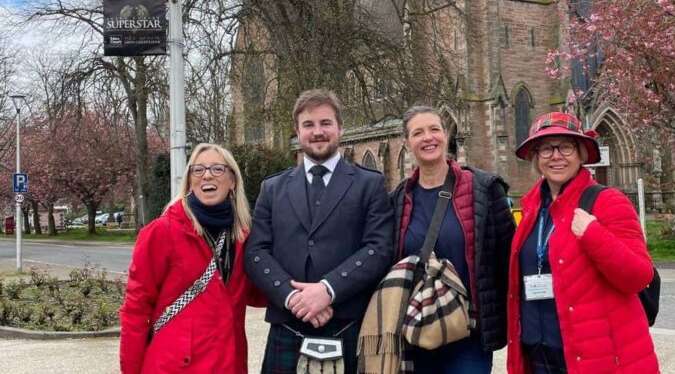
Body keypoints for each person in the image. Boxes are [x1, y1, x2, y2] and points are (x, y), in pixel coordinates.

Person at [245, 89, 394, 373]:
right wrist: (293, 297)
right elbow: (256, 252)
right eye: (308, 125)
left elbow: (379, 248)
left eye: (326, 123)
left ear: (340, 127)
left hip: (348, 322)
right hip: (289, 322)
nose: (318, 132)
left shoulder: (369, 184)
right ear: (296, 131)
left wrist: (328, 290)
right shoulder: (272, 188)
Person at [506, 112, 658, 374]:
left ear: (581, 154)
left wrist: (593, 235)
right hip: (538, 355)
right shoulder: (532, 209)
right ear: (535, 157)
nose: (556, 156)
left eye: (566, 146)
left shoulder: (608, 202)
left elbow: (639, 276)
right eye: (545, 148)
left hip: (595, 357)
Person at [390, 106, 516, 374]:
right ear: (406, 143)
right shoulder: (398, 199)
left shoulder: (484, 189)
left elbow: (508, 260)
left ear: (446, 134)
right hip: (416, 331)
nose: (428, 138)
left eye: (434, 129)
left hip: (468, 335)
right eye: (418, 132)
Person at [119, 143, 264, 374]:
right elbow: (136, 309)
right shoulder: (163, 231)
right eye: (198, 170)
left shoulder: (244, 236)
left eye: (217, 169)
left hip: (229, 363)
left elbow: (257, 294)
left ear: (233, 180)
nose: (207, 175)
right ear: (189, 180)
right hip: (173, 366)